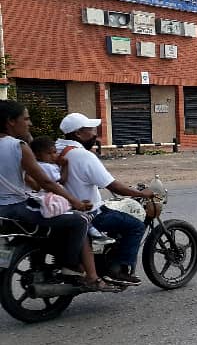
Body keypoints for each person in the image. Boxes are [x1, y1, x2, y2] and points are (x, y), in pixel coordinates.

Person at [0, 100, 111, 291]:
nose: (30, 124)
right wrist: (74, 201)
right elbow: (46, 182)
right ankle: (70, 266)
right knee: (81, 220)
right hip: (17, 208)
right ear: (10, 121)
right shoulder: (17, 146)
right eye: (26, 119)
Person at [56, 112, 154, 286]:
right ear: (78, 133)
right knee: (136, 226)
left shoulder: (55, 148)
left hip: (61, 211)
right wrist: (141, 194)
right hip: (90, 212)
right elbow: (114, 186)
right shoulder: (83, 155)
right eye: (91, 130)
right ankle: (118, 270)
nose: (95, 134)